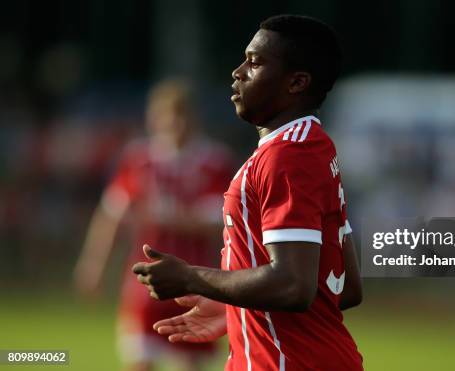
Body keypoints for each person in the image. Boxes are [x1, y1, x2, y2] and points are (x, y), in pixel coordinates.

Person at [132, 15, 363, 370]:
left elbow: (293, 285)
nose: (238, 72)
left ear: (297, 83)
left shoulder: (289, 156)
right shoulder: (312, 146)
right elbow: (344, 286)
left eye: (255, 62)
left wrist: (191, 277)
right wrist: (234, 309)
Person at [74, 79, 234, 371]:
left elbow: (219, 222)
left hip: (193, 279)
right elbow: (112, 215)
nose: (173, 123)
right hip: (144, 280)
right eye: (165, 115)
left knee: (189, 361)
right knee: (140, 361)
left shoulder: (214, 162)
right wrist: (94, 264)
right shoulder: (139, 159)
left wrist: (168, 217)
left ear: (193, 117)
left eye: (180, 114)